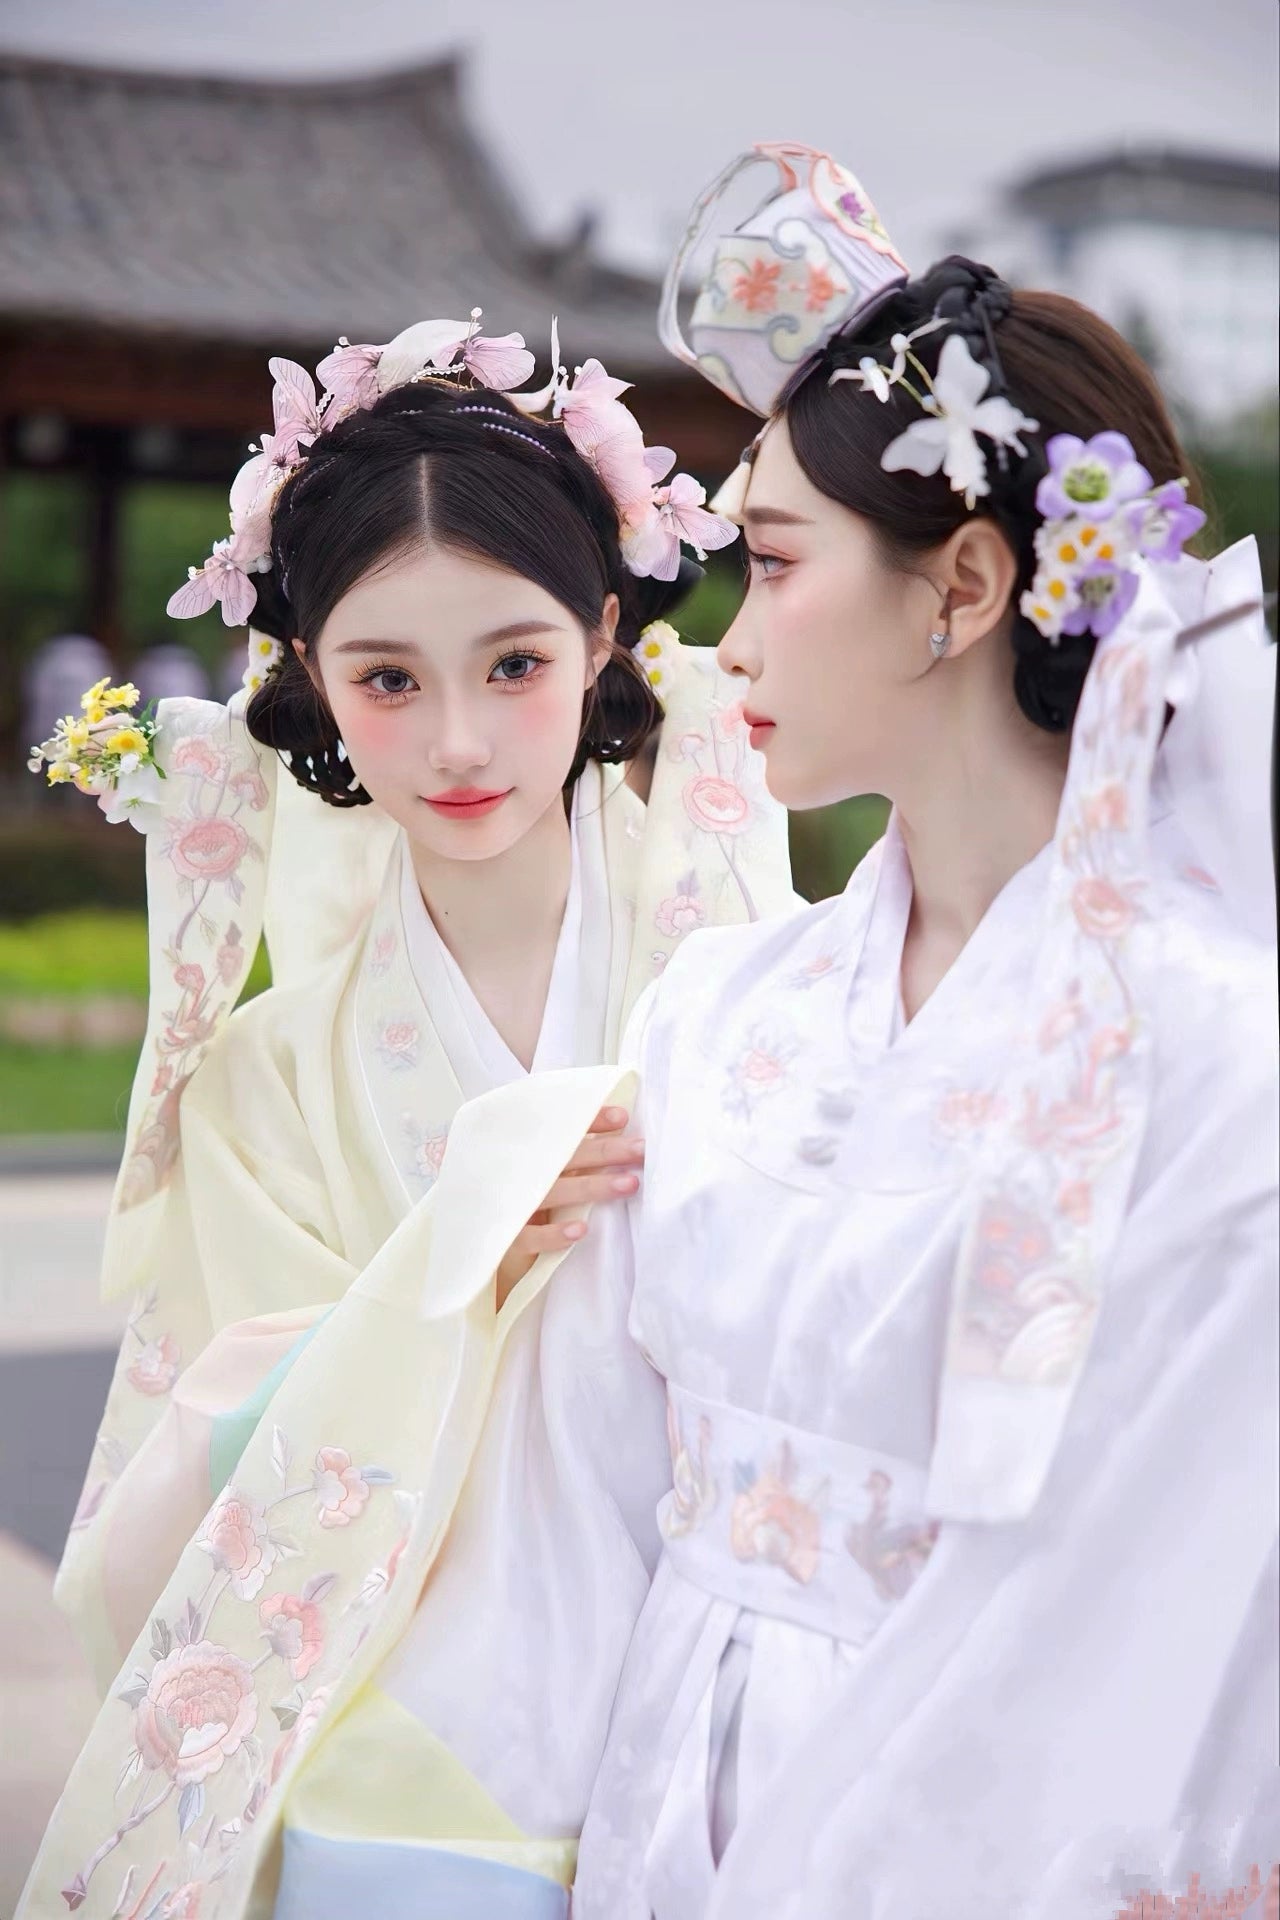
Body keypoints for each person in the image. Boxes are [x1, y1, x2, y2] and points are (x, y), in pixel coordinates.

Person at [568, 145, 1274, 1917]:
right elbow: (589, 1486)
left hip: (990, 1838)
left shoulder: (1208, 1057)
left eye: (779, 566)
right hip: (662, 1800)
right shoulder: (722, 1002)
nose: (722, 649)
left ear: (961, 587)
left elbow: (1174, 1600)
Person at [17, 312, 792, 1920]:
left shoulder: (753, 993)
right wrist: (468, 1245)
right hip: (413, 1759)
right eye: (388, 676)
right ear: (310, 678)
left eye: (515, 664)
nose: (454, 741)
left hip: (746, 1728)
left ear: (604, 635)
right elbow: (247, 1475)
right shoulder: (266, 1080)